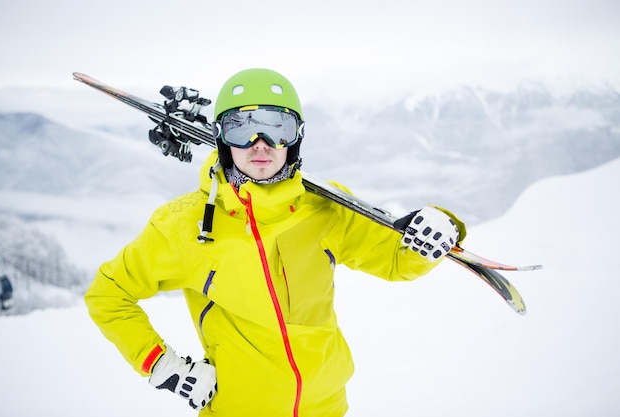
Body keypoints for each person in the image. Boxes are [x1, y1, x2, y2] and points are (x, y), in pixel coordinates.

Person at [85, 68, 465, 417]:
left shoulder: (326, 209)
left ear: (295, 138)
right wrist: (161, 364)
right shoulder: (185, 224)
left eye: (276, 127)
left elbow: (396, 262)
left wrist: (430, 237)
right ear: (221, 138)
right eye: (240, 128)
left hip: (328, 407)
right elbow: (108, 295)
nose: (260, 144)